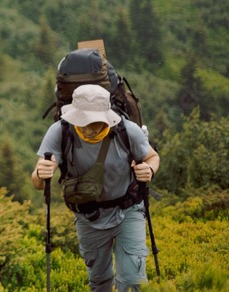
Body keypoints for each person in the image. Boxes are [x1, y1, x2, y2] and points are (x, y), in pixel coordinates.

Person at [31, 84, 160, 292]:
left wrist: (150, 170)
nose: (88, 129)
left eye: (94, 123)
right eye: (82, 122)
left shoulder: (126, 130)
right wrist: (40, 173)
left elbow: (152, 157)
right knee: (99, 282)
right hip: (88, 217)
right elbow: (37, 184)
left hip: (127, 210)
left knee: (132, 281)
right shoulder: (60, 131)